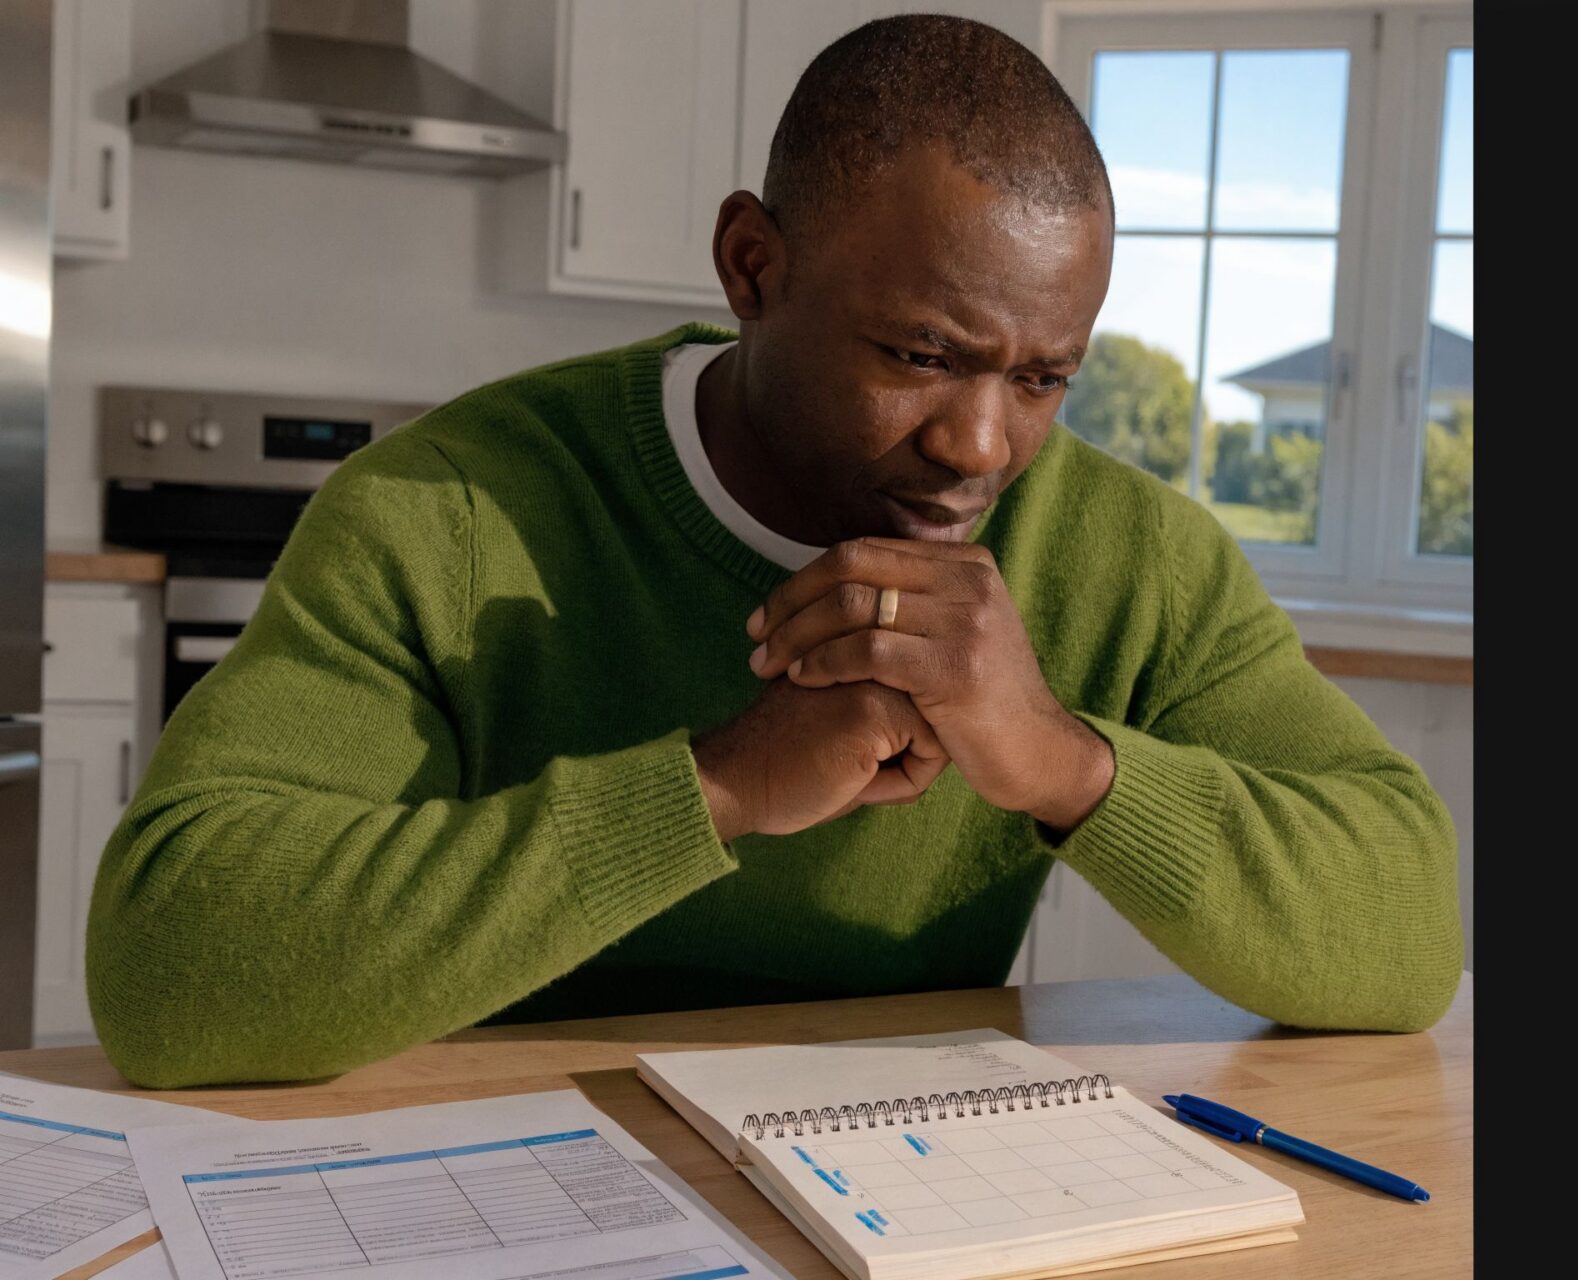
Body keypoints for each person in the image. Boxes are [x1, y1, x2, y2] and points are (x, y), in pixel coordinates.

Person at [86, 15, 1462, 1089]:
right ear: (753, 265)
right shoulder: (442, 511)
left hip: (895, 1201)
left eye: (1046, 378)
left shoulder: (1134, 558)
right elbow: (167, 973)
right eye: (923, 355)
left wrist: (1057, 759)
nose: (983, 446)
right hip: (477, 1183)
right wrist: (717, 790)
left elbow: (1409, 937)